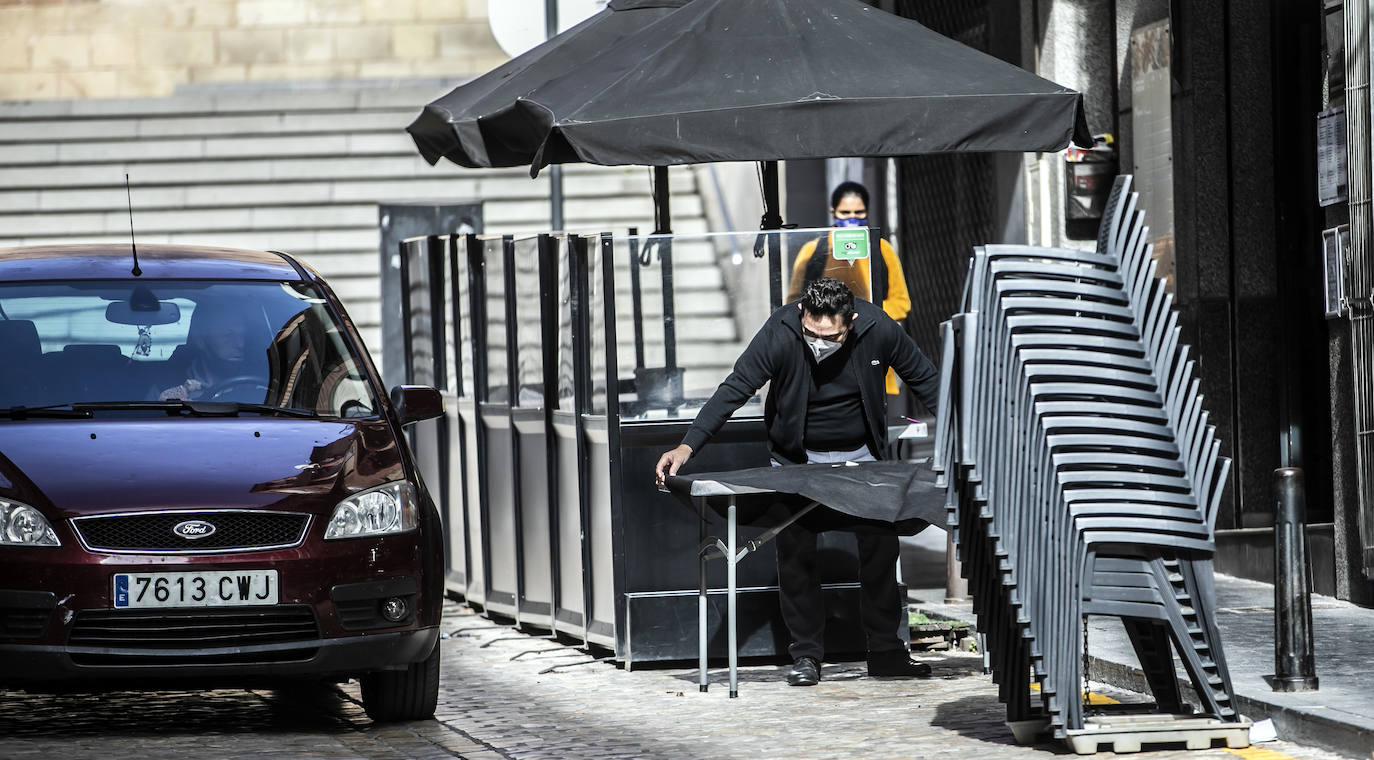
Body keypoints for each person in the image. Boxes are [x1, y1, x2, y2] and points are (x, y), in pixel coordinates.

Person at [654, 277, 940, 686]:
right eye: (811, 331)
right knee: (796, 554)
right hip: (796, 461)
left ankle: (887, 652)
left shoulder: (879, 327)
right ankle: (806, 656)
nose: (819, 341)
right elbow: (735, 387)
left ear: (852, 321)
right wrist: (687, 447)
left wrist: (966, 438)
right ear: (802, 316)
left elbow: (927, 382)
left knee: (880, 548)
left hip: (862, 457)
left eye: (830, 335)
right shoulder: (781, 330)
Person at [786, 181, 911, 397]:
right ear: (833, 212)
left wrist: (860, 318)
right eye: (845, 212)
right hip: (823, 351)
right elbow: (793, 301)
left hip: (872, 349)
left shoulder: (882, 250)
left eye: (858, 212)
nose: (852, 217)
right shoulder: (812, 251)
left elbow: (901, 302)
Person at [158, 303, 260, 401]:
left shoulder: (260, 382)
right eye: (228, 335)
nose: (240, 344)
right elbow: (153, 414)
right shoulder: (170, 381)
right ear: (200, 341)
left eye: (243, 335)